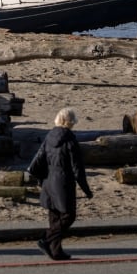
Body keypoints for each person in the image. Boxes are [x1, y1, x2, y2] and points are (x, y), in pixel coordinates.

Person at [29, 107, 92, 261]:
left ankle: (55, 250)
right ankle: (47, 238)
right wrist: (86, 189)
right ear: (71, 121)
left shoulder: (49, 136)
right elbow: (77, 168)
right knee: (68, 215)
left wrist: (40, 180)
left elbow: (38, 160)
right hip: (63, 182)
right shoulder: (70, 139)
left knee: (55, 216)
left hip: (48, 181)